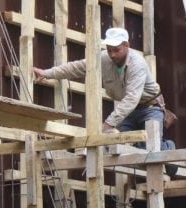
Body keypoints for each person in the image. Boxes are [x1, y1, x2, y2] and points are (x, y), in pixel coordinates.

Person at [33, 27, 175, 151]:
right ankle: (144, 144)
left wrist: (108, 124)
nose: (112, 54)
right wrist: (47, 73)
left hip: (150, 109)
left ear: (127, 45)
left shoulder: (137, 64)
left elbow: (131, 98)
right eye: (109, 50)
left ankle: (167, 146)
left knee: (151, 149)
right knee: (113, 142)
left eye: (116, 50)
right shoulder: (105, 58)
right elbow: (78, 67)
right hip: (130, 112)